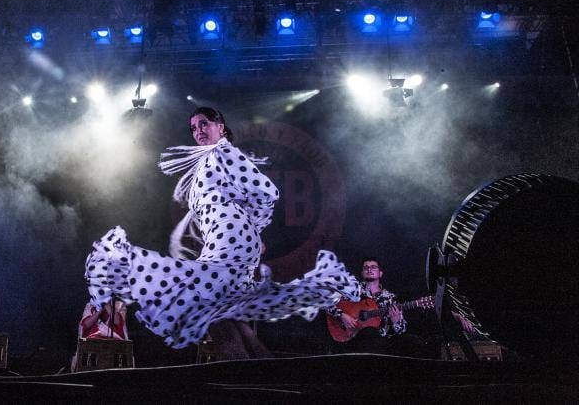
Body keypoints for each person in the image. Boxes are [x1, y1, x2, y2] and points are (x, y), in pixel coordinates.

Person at [85, 107, 359, 349]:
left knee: (203, 305)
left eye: (204, 123)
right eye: (193, 127)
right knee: (221, 311)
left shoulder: (224, 152)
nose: (198, 131)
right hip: (222, 240)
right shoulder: (208, 159)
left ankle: (245, 375)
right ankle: (260, 372)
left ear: (221, 127)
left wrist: (252, 227)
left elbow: (267, 192)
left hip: (231, 239)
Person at [328, 258, 413, 354]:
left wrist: (397, 322)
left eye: (373, 267)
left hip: (380, 344)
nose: (369, 270)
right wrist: (342, 315)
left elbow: (401, 330)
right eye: (366, 268)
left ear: (380, 273)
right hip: (351, 339)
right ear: (362, 273)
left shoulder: (390, 298)